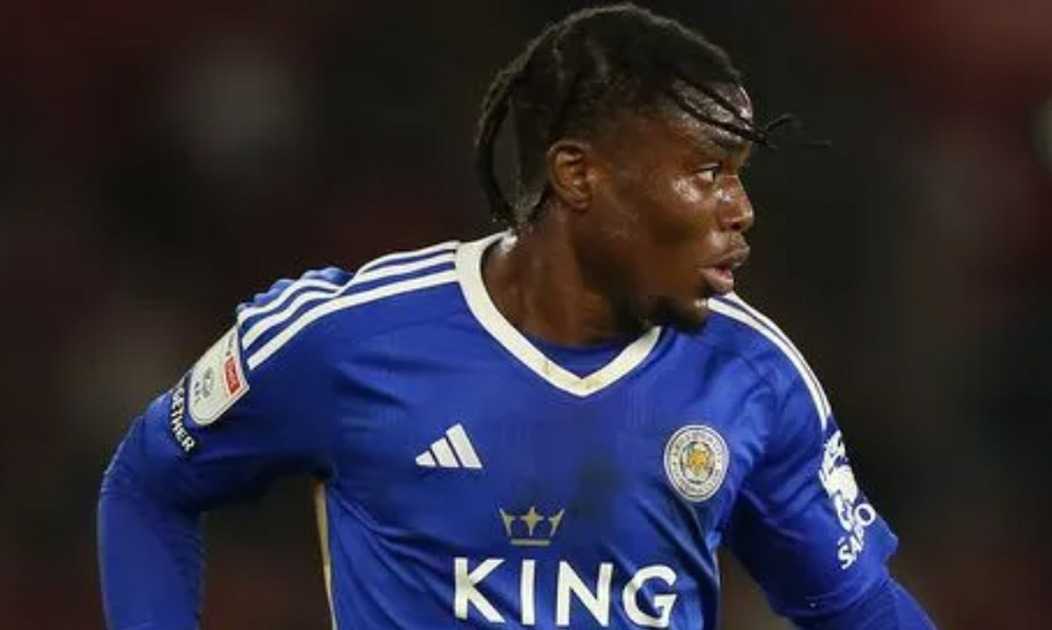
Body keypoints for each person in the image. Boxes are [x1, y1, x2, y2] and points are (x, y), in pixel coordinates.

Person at [98, 4, 936, 628]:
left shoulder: (754, 374)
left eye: (740, 172)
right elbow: (148, 483)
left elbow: (856, 608)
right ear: (578, 176)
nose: (742, 208)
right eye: (708, 170)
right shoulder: (353, 339)